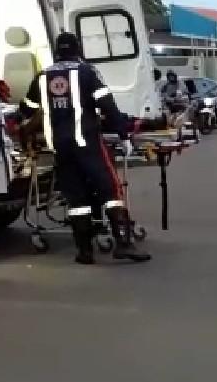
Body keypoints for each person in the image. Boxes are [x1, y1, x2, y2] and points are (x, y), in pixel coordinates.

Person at [19, 32, 151, 265]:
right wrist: (123, 131)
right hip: (88, 144)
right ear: (78, 50)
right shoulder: (86, 73)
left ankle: (84, 251)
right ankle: (123, 244)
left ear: (57, 52)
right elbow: (106, 104)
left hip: (60, 148)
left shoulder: (41, 78)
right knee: (110, 191)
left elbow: (26, 110)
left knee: (76, 198)